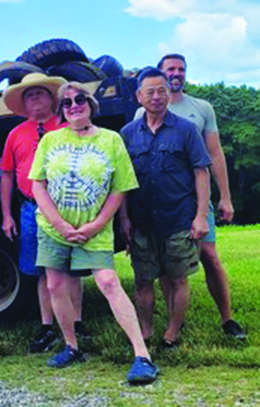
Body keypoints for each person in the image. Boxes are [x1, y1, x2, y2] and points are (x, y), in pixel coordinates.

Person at [28, 82, 158, 384]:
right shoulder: (49, 140)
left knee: (109, 282)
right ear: (61, 111)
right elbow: (38, 184)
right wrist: (61, 225)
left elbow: (119, 188)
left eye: (80, 99)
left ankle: (142, 356)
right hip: (53, 228)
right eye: (67, 102)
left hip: (94, 229)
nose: (74, 105)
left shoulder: (111, 140)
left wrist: (96, 225)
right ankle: (71, 346)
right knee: (55, 286)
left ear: (91, 104)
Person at [133, 54, 246, 339]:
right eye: (170, 69)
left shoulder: (201, 108)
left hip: (197, 198)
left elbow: (214, 154)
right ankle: (174, 324)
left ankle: (227, 318)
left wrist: (226, 198)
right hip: (163, 202)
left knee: (208, 254)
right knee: (168, 267)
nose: (176, 73)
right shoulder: (139, 116)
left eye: (181, 69)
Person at [120, 67, 211, 349]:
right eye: (150, 91)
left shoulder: (186, 130)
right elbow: (122, 181)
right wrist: (124, 218)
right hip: (142, 220)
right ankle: (146, 331)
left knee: (178, 278)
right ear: (139, 96)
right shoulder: (127, 134)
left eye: (163, 90)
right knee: (143, 281)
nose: (157, 96)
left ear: (169, 95)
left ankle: (172, 332)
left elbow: (201, 172)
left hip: (179, 218)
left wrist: (201, 216)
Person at [0, 73, 88, 353]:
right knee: (42, 271)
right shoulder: (15, 134)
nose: (34, 97)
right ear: (23, 104)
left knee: (73, 269)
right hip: (30, 209)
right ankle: (47, 325)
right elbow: (7, 176)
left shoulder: (67, 127)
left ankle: (77, 323)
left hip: (67, 206)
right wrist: (6, 214)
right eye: (28, 95)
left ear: (53, 98)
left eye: (39, 92)